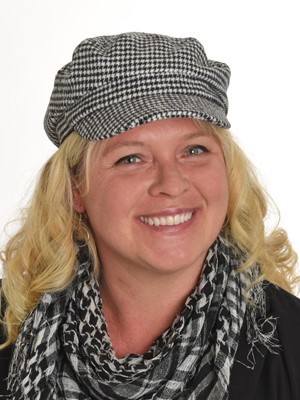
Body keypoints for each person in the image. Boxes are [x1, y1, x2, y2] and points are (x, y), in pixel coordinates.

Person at [0, 32, 299, 400]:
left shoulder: (292, 344)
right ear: (75, 188)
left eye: (194, 149)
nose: (171, 184)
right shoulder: (10, 330)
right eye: (131, 158)